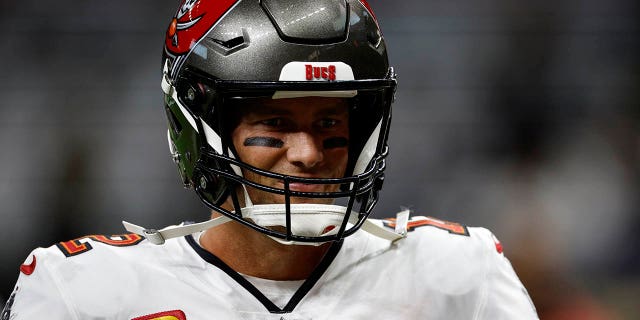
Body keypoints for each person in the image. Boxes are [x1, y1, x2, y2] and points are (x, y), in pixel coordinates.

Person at [2, 0, 539, 318]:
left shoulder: (458, 276)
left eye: (330, 124)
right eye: (274, 125)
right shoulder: (82, 294)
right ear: (204, 129)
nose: (307, 154)